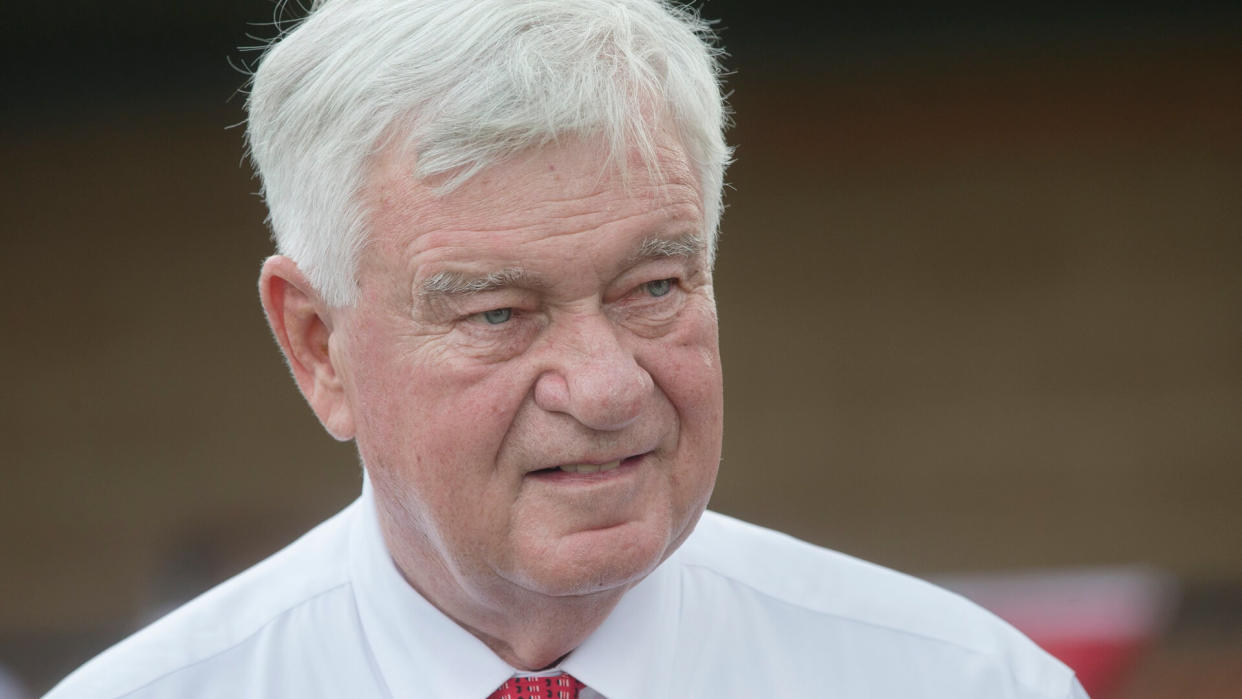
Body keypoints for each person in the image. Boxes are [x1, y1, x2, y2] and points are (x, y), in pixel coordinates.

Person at [49, 1, 1088, 697]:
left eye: (653, 288)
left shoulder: (966, 683)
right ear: (318, 347)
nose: (605, 388)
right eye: (499, 312)